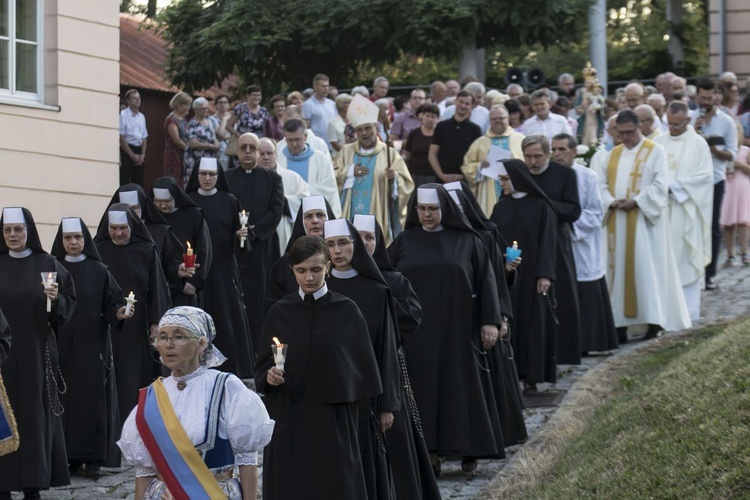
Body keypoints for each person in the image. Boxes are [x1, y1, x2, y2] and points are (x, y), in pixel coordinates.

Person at [389, 186, 505, 475]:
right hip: (418, 333)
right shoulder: (405, 241)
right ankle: (429, 452)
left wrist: (490, 321)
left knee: (462, 387)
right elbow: (386, 278)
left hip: (459, 328)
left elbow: (485, 282)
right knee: (422, 389)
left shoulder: (468, 241)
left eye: (433, 209)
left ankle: (470, 449)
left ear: (446, 210)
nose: (427, 215)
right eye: (422, 209)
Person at [256, 236, 382, 499]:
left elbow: (362, 370)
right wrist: (270, 376)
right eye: (301, 271)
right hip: (290, 417)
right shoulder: (280, 312)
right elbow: (263, 365)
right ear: (292, 270)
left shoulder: (347, 312)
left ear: (327, 267)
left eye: (315, 269)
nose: (309, 277)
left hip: (333, 417)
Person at [118, 307, 274, 500]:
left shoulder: (226, 388)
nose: (168, 345)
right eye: (163, 337)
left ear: (201, 343)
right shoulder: (152, 396)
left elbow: (247, 461)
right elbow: (144, 472)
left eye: (179, 337)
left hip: (214, 493)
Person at [0, 208, 76, 500]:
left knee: (34, 417)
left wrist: (56, 302)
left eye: (18, 230)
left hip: (36, 351)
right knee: (3, 416)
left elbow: (68, 304)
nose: (13, 236)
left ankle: (33, 485)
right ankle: (3, 484)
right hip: (2, 355)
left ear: (29, 231)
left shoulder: (48, 263)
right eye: (7, 231)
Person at [324, 218, 400, 500]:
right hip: (326, 394)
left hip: (365, 395)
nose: (337, 251)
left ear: (355, 245)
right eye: (330, 244)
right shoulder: (317, 290)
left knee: (365, 462)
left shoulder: (377, 291)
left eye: (343, 243)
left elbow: (387, 350)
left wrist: (387, 404)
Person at [598, 110, 691, 339]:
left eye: (630, 132)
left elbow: (661, 184)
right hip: (616, 222)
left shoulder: (655, 151)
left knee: (646, 268)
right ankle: (617, 322)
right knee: (616, 270)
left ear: (640, 127)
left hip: (643, 223)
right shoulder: (611, 154)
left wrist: (637, 201)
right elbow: (599, 184)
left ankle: (652, 320)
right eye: (621, 133)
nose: (626, 137)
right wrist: (610, 201)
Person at [51, 217, 131, 476]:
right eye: (67, 238)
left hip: (92, 344)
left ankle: (94, 457)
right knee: (64, 399)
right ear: (61, 242)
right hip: (61, 344)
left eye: (78, 237)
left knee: (92, 400)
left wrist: (118, 313)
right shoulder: (54, 268)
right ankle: (69, 456)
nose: (73, 243)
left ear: (85, 240)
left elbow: (112, 303)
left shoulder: (99, 270)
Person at [94, 204, 172, 419]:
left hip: (137, 328)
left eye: (123, 228)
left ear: (132, 227)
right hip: (105, 326)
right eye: (113, 228)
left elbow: (157, 288)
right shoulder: (99, 250)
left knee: (131, 378)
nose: (118, 233)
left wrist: (157, 323)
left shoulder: (146, 250)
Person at [489, 161, 559, 391]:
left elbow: (548, 242)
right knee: (511, 321)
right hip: (507, 276)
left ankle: (532, 376)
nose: (502, 184)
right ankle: (512, 374)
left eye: (504, 180)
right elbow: (492, 241)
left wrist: (545, 274)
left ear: (517, 179)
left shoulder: (541, 206)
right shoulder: (501, 207)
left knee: (532, 324)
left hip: (533, 277)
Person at [186, 157, 255, 378]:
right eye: (203, 174)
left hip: (224, 270)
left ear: (218, 177)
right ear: (197, 176)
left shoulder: (229, 200)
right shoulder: (189, 200)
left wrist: (241, 237)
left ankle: (229, 370)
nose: (207, 179)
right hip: (198, 272)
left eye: (212, 175)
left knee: (227, 319)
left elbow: (242, 242)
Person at [551, 135, 618, 353]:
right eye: (553, 149)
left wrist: (568, 225)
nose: (557, 154)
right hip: (557, 244)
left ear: (574, 152)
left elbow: (596, 212)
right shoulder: (549, 176)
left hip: (580, 242)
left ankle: (587, 342)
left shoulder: (587, 177)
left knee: (584, 291)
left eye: (561, 149)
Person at [522, 135, 582, 365]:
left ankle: (562, 353)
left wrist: (544, 207)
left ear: (548, 154)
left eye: (538, 156)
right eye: (528, 156)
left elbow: (573, 210)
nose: (533, 161)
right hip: (527, 243)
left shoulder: (565, 174)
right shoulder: (521, 175)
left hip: (557, 241)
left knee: (562, 298)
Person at [654, 101, 714, 320]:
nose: (673, 128)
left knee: (686, 257)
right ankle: (664, 313)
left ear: (688, 120)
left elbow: (706, 177)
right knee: (662, 260)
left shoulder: (698, 144)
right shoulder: (658, 141)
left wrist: (674, 187)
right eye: (670, 123)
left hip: (685, 209)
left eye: (678, 124)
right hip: (661, 210)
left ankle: (689, 313)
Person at [226, 133, 285, 352]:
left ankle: (258, 347)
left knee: (259, 298)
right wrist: (235, 230)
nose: (248, 152)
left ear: (259, 152)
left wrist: (254, 230)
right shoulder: (227, 177)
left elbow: (276, 210)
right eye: (244, 148)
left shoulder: (272, 179)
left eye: (253, 148)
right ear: (238, 151)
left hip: (263, 247)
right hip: (233, 248)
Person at [336, 95, 414, 245]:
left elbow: (407, 184)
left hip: (378, 210)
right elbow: (332, 176)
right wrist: (350, 171)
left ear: (375, 128)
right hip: (350, 209)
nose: (364, 133)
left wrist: (395, 178)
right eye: (360, 130)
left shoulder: (389, 153)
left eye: (368, 128)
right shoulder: (346, 152)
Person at [691, 79, 739, 290]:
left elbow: (732, 153)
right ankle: (694, 271)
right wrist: (694, 132)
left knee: (712, 226)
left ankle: (709, 274)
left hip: (715, 178)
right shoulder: (692, 118)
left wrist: (715, 152)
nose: (706, 101)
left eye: (710, 98)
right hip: (693, 180)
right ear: (697, 96)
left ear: (717, 96)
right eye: (702, 97)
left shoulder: (726, 121)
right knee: (692, 225)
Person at [107, 185, 185, 302]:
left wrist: (177, 271)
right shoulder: (108, 237)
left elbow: (169, 264)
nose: (130, 213)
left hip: (147, 301)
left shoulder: (160, 231)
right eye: (125, 208)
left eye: (134, 208)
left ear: (143, 205)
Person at [151, 176, 214, 307]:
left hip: (186, 284)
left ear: (175, 196)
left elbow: (204, 249)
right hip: (161, 283)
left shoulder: (193, 216)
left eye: (167, 201)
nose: (162, 205)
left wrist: (195, 281)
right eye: (158, 201)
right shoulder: (153, 217)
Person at [265, 195, 336, 308]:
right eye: (308, 216)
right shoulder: (285, 263)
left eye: (320, 215)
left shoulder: (341, 259)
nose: (315, 221)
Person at [461, 104, 526, 216]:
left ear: (508, 119)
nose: (497, 121)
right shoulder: (480, 142)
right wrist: (479, 166)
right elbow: (466, 167)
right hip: (488, 192)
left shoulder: (520, 139)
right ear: (489, 120)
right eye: (494, 119)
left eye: (501, 118)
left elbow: (528, 165)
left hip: (517, 191)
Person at [278, 118, 342, 216]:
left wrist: (298, 199)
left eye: (298, 139)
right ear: (285, 138)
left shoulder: (320, 159)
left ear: (306, 136)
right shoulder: (278, 159)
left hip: (315, 215)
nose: (294, 144)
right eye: (290, 140)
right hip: (287, 214)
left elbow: (329, 188)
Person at [429, 90, 483, 183]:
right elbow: (432, 154)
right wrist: (441, 175)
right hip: (442, 179)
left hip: (465, 181)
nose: (463, 105)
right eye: (461, 102)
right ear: (455, 102)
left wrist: (463, 176)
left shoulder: (475, 129)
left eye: (467, 103)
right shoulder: (441, 126)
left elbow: (477, 158)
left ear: (471, 107)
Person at [721, 135, 750, 265]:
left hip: (742, 186)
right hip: (728, 185)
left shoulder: (746, 150)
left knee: (743, 221)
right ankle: (730, 255)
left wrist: (739, 164)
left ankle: (745, 252)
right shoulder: (723, 150)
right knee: (728, 222)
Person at [401, 103, 440, 187]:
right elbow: (407, 152)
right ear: (423, 116)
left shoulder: (440, 134)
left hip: (433, 174)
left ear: (438, 118)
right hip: (414, 173)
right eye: (427, 116)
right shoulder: (414, 133)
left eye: (433, 117)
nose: (430, 119)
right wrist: (401, 160)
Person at [184, 97, 221, 186]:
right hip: (195, 160)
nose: (206, 110)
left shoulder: (210, 121)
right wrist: (210, 146)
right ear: (195, 110)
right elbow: (193, 143)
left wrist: (217, 145)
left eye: (206, 108)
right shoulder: (192, 124)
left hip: (210, 159)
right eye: (203, 108)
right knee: (195, 183)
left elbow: (214, 138)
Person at [119, 89, 148, 186]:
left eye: (139, 98)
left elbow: (144, 137)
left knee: (139, 182)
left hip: (139, 151)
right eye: (134, 98)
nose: (138, 100)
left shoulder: (142, 117)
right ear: (128, 101)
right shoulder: (123, 115)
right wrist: (132, 155)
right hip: (127, 150)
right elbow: (121, 136)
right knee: (124, 180)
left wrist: (142, 155)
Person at [163, 91, 192, 185]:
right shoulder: (171, 120)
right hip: (174, 155)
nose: (188, 107)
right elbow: (177, 140)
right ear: (178, 104)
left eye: (189, 104)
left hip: (183, 154)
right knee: (175, 181)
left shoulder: (183, 118)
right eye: (186, 104)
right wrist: (189, 150)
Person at [302, 74, 337, 149]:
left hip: (332, 144)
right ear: (315, 87)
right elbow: (306, 126)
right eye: (323, 86)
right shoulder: (308, 104)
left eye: (327, 86)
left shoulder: (332, 104)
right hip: (317, 145)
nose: (326, 89)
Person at [208, 94, 233, 171]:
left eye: (225, 102)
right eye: (220, 102)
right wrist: (224, 120)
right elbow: (220, 134)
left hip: (234, 147)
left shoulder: (234, 117)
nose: (223, 105)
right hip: (221, 150)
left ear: (229, 104)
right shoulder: (212, 119)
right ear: (216, 105)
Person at [328, 93, 353, 159]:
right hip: (339, 157)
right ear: (342, 105)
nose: (352, 105)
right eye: (349, 103)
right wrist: (347, 154)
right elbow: (334, 143)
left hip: (354, 155)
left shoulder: (354, 120)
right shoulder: (333, 122)